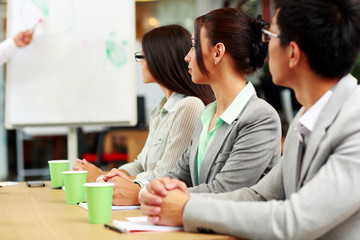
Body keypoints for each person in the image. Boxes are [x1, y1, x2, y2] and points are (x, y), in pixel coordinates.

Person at [139, 1, 360, 239]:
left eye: (271, 36)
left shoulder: (353, 123)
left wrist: (185, 208)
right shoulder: (305, 119)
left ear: (293, 53)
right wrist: (174, 200)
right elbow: (258, 196)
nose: (264, 46)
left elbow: (294, 220)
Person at [104, 8, 281, 205]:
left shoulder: (260, 117)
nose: (187, 57)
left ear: (218, 52)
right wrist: (136, 186)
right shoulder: (208, 113)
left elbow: (224, 191)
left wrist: (140, 194)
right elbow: (179, 175)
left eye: (194, 46)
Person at [73, 24, 214, 205]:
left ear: (160, 60)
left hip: (159, 202)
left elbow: (166, 174)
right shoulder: (160, 109)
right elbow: (140, 164)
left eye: (142, 56)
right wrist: (109, 176)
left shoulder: (189, 106)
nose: (140, 62)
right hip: (146, 198)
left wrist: (102, 179)